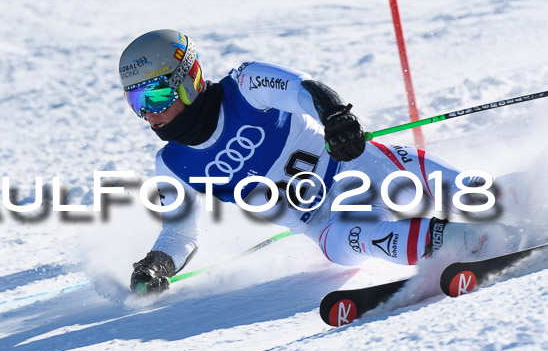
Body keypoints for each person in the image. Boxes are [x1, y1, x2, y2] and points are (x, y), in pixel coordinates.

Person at [119, 29, 522, 294]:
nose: (148, 114)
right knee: (354, 239)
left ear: (187, 78)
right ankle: (466, 243)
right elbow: (178, 234)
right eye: (135, 101)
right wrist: (157, 265)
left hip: (352, 166)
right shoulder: (173, 164)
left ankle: (522, 199)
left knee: (435, 182)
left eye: (155, 96)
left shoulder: (245, 85)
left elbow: (304, 89)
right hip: (324, 223)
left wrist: (336, 118)